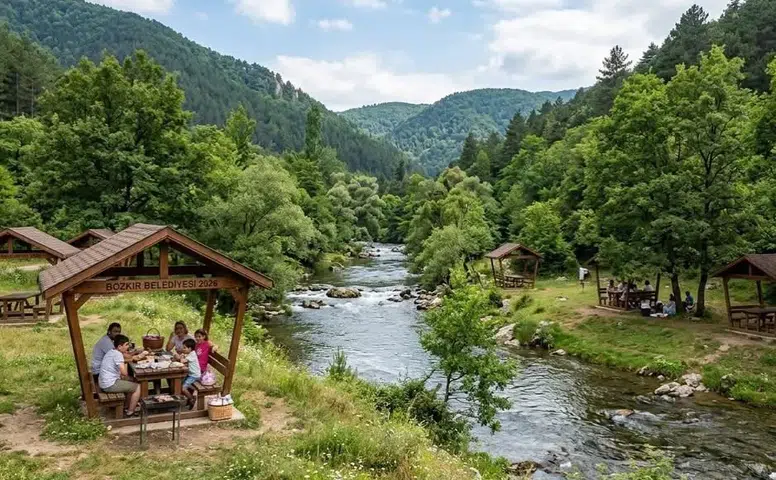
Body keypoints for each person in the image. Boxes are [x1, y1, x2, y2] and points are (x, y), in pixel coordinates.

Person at [99, 334, 141, 417]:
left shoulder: (111, 351)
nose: (128, 346)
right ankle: (130, 412)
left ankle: (127, 406)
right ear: (119, 346)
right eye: (126, 344)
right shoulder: (118, 355)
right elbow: (124, 373)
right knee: (137, 387)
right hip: (109, 385)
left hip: (104, 382)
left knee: (132, 381)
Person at [175, 338, 201, 409]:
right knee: (178, 384)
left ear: (190, 348)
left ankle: (192, 398)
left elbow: (183, 361)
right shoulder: (190, 353)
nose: (183, 349)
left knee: (183, 388)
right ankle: (181, 399)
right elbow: (184, 359)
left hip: (194, 376)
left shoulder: (192, 354)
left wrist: (177, 356)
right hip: (190, 374)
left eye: (184, 348)